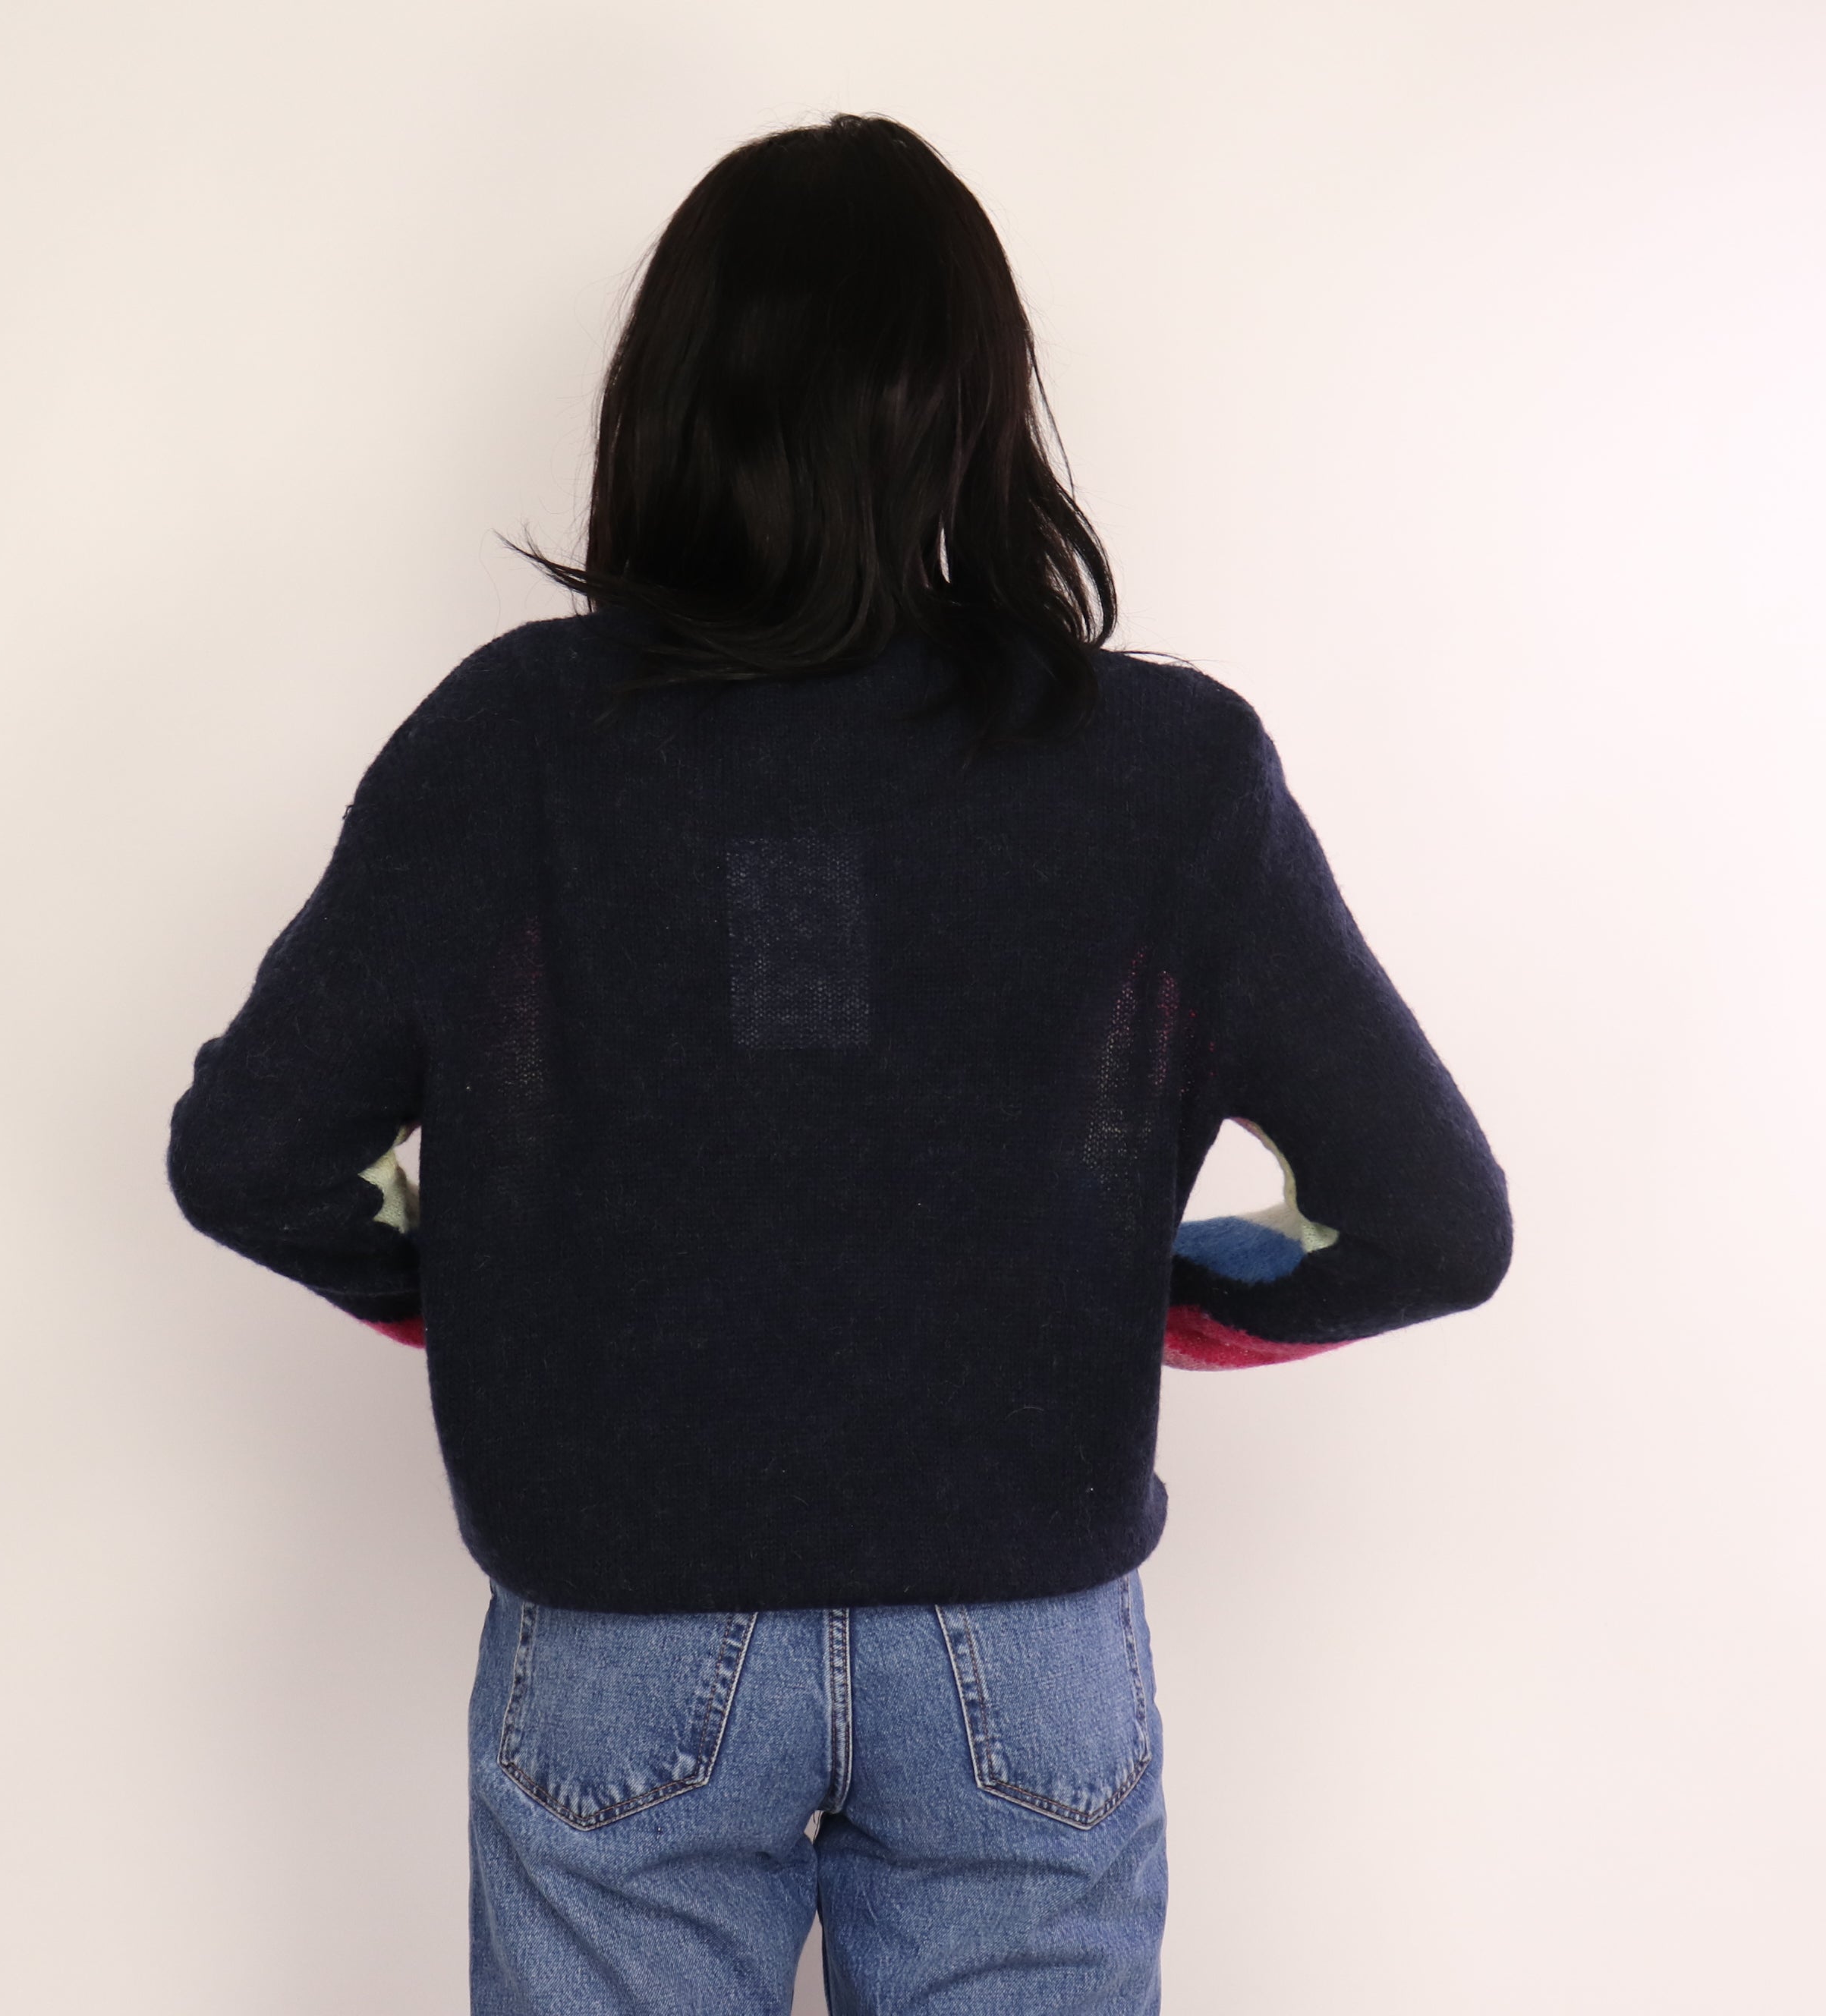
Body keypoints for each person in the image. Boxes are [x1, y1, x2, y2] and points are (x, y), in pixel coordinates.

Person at [166, 112, 1512, 2016]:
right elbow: (1426, 1219)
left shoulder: (513, 741)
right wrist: (1128, 1294)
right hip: (1021, 1648)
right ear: (975, 412)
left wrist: (506, 1283)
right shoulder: (1166, 772)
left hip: (622, 1631)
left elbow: (255, 1155)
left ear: (667, 402)